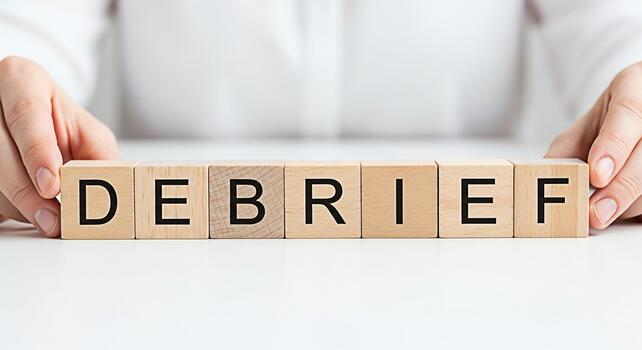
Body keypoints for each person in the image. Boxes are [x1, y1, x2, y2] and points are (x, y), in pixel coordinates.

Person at [0, 1, 641, 237]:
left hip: (471, 287)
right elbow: (28, 30)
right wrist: (17, 95)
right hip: (165, 285)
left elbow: (619, 28)